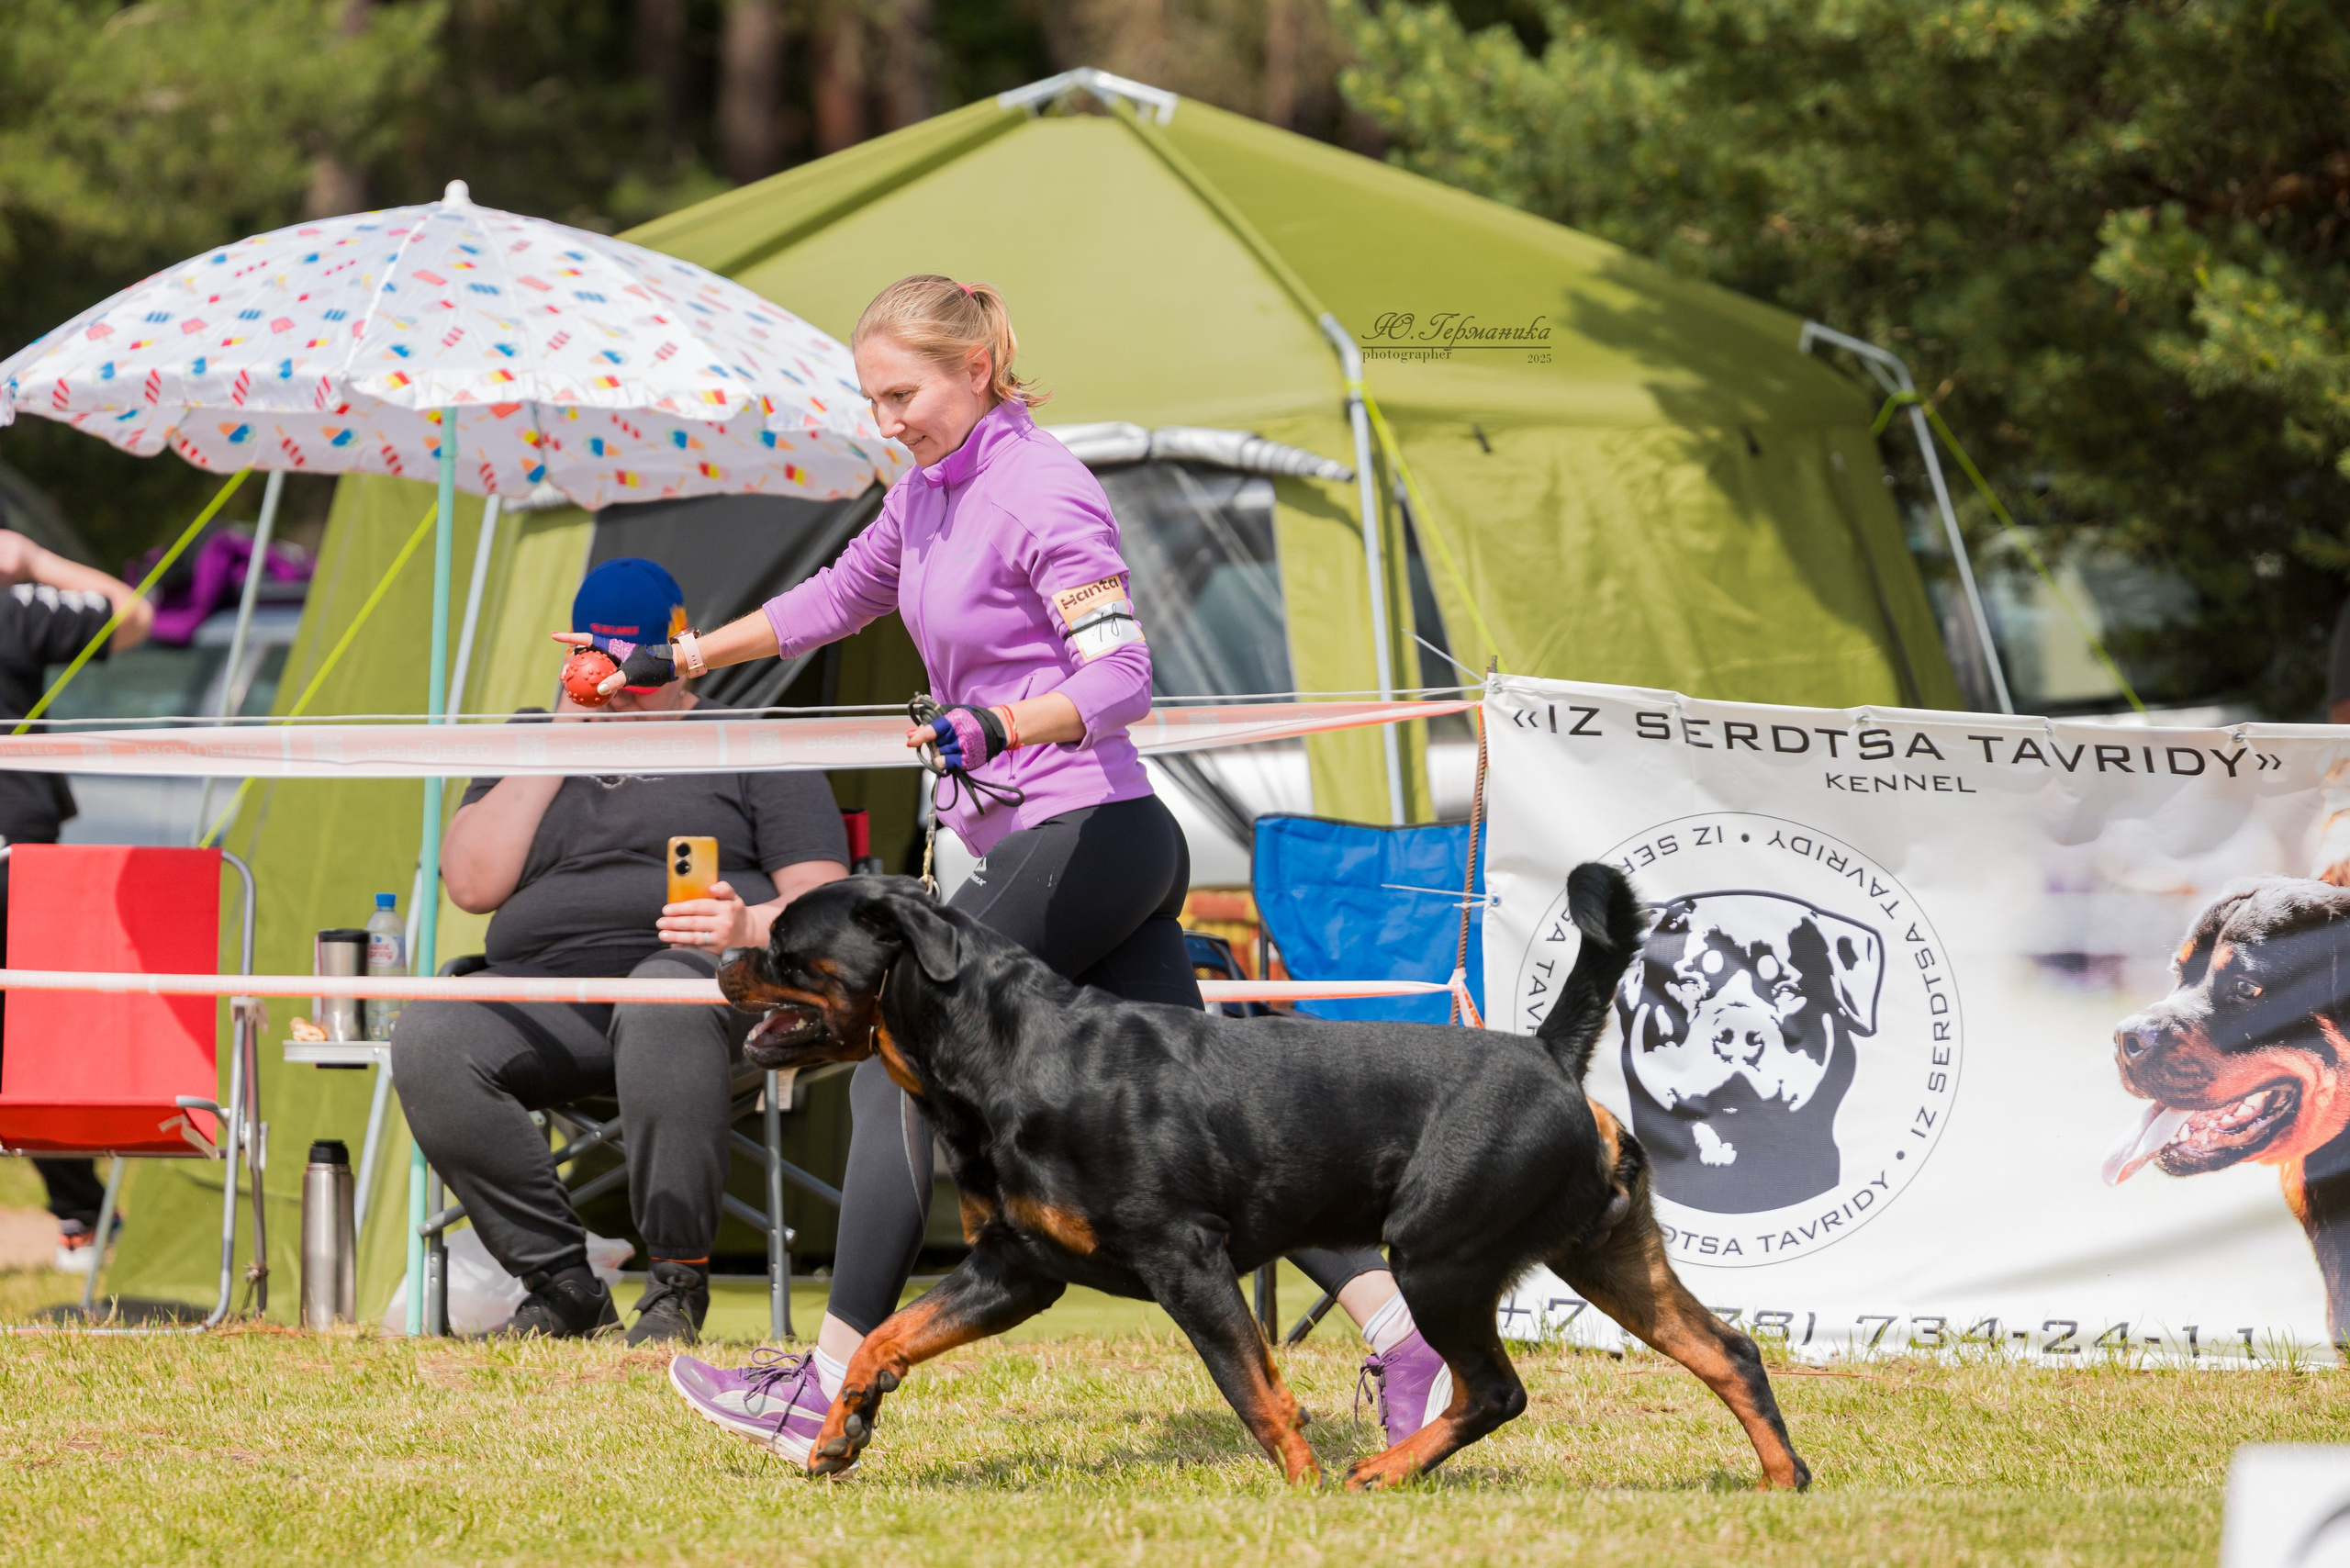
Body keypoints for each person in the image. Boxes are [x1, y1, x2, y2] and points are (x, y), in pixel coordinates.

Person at [565, 277, 1449, 1458]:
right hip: (1083, 843)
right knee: (1202, 1126)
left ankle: (821, 1385)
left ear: (977, 367)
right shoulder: (928, 490)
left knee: (897, 1061)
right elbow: (834, 596)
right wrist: (681, 654)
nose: (889, 418)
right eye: (873, 398)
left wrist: (1000, 725)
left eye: (904, 393)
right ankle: (1409, 1343)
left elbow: (1123, 678)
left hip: (1082, 833)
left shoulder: (1043, 490)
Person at [391, 557, 848, 1344]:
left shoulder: (746, 740)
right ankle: (562, 1281)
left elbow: (825, 905)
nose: (627, 692)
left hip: (702, 991)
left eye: (642, 673)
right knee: (433, 1033)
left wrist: (745, 926)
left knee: (658, 995)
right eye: (611, 670)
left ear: (681, 650)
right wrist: (565, 730)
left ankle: (677, 1282)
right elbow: (469, 883)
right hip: (547, 995)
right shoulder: (534, 740)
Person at [0, 528, 155, 1271]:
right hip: (17, 854)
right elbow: (135, 615)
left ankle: (80, 1214)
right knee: (31, 1039)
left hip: (17, 854)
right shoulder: (14, 607)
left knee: (31, 1038)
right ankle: (80, 1215)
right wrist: (32, 560)